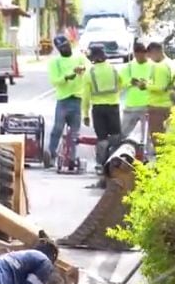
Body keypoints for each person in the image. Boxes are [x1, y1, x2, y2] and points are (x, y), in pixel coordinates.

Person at [79, 44, 123, 178]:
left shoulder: (89, 73)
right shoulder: (115, 69)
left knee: (102, 138)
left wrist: (85, 114)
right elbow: (121, 84)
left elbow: (85, 96)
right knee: (115, 137)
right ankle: (115, 164)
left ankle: (101, 164)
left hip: (98, 108)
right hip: (113, 106)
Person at [47, 35, 87, 171]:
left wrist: (82, 69)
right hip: (63, 99)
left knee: (74, 133)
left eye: (66, 45)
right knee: (58, 128)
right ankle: (51, 154)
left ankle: (72, 158)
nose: (65, 49)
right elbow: (54, 80)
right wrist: (66, 77)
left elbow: (88, 68)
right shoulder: (55, 62)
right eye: (61, 47)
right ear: (58, 49)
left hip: (77, 98)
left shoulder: (79, 58)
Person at [144, 42, 175, 155]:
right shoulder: (171, 63)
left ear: (155, 52)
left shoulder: (160, 67)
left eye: (150, 56)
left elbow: (161, 87)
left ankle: (161, 163)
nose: (150, 59)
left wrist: (145, 86)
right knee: (164, 135)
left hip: (158, 106)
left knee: (157, 137)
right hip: (168, 104)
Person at [119, 41, 155, 142]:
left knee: (148, 135)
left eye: (142, 53)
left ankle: (147, 153)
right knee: (122, 132)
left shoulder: (152, 66)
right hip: (131, 105)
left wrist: (146, 84)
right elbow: (122, 82)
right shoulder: (129, 67)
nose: (139, 56)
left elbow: (156, 82)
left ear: (145, 53)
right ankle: (117, 149)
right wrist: (131, 82)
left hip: (147, 105)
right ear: (134, 54)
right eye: (137, 54)